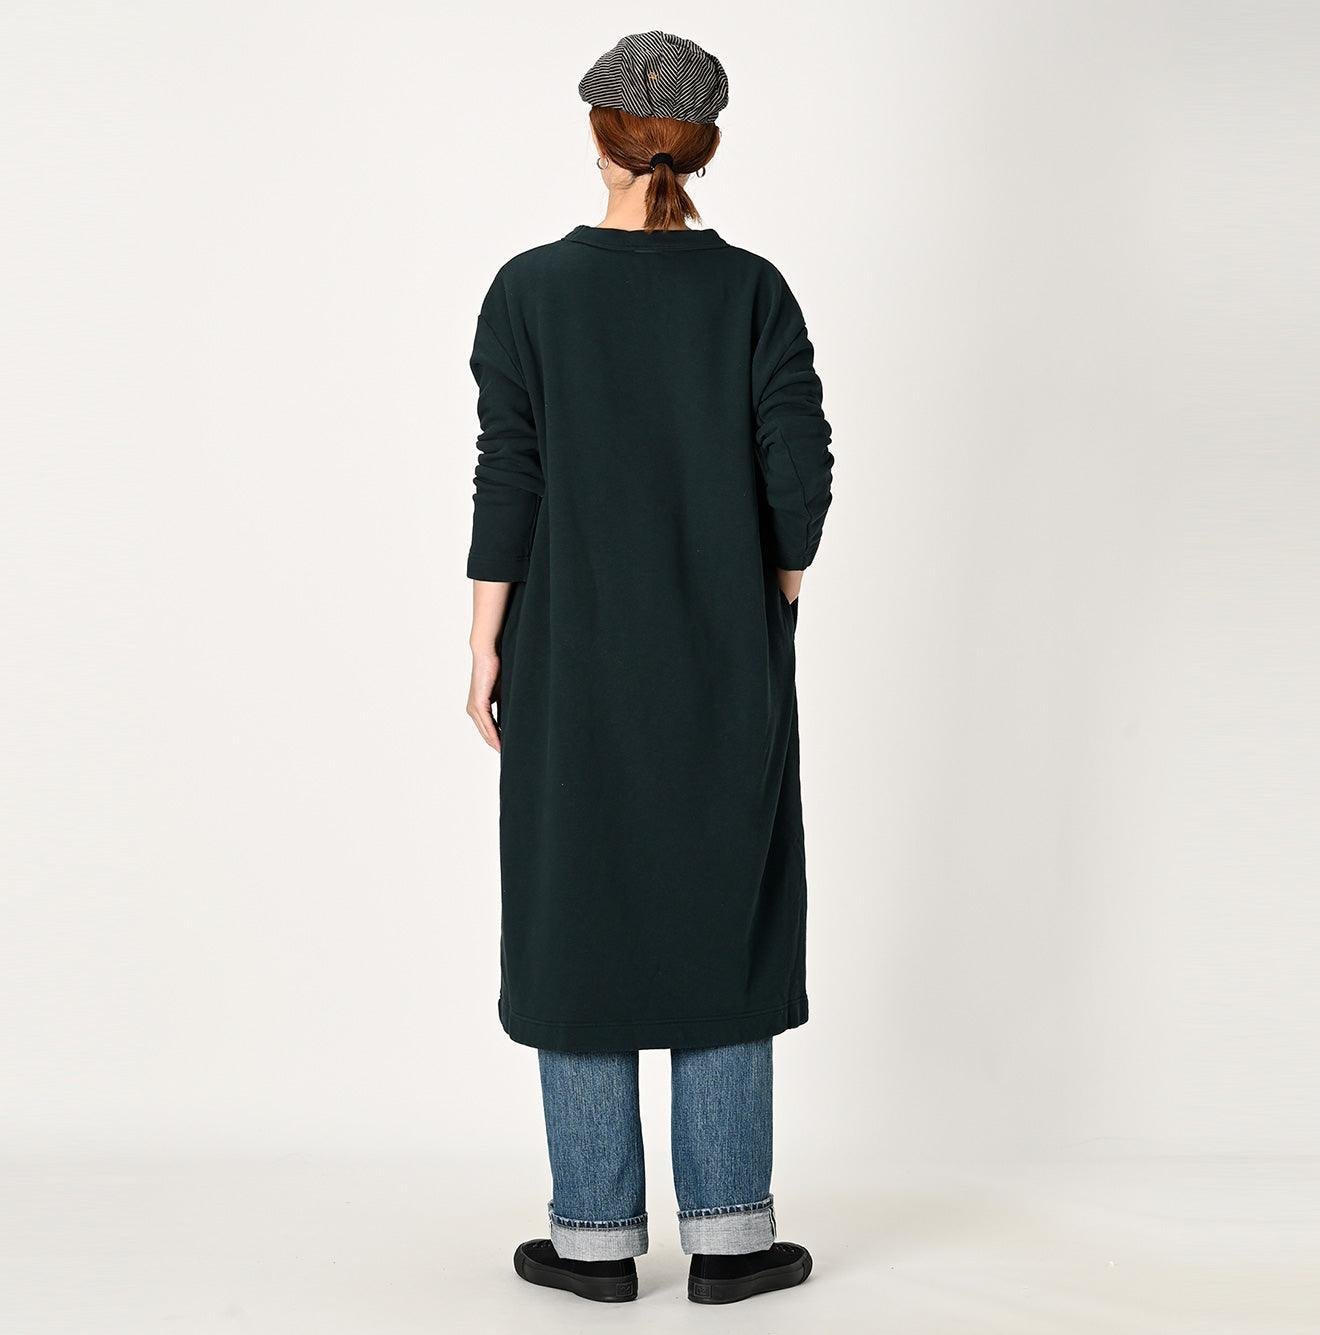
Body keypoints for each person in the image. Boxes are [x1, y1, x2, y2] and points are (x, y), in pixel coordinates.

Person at [464, 30, 833, 1306]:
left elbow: (510, 472)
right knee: (725, 907)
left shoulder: (528, 293)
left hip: (567, 653)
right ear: (703, 145)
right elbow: (800, 468)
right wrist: (770, 587)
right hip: (726, 653)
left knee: (576, 908)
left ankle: (593, 1242)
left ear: (598, 133)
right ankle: (730, 1241)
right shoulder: (753, 293)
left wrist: (485, 637)